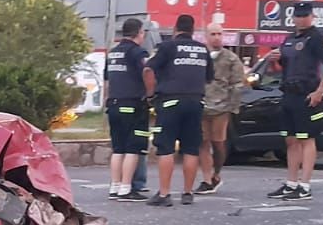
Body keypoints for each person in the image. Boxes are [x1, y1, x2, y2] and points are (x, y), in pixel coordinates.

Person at [143, 14, 213, 207]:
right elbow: (209, 78)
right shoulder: (202, 49)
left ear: (176, 28)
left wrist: (150, 95)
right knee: (191, 148)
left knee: (165, 147)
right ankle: (188, 193)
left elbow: (148, 70)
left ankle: (165, 194)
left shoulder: (167, 47)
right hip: (195, 102)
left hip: (170, 102)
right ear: (193, 29)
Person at [267, 1, 323, 201]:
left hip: (307, 95)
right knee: (290, 140)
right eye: (298, 15)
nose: (301, 19)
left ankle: (305, 185)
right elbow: (281, 68)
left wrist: (320, 90)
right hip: (288, 94)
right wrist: (274, 60)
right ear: (293, 17)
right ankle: (291, 183)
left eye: (305, 15)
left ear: (312, 16)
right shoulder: (289, 40)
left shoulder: (316, 38)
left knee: (306, 139)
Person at [104, 18, 152, 201]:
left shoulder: (113, 53)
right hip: (133, 105)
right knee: (133, 148)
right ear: (139, 32)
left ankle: (115, 187)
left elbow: (107, 81)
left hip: (114, 104)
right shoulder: (137, 52)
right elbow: (147, 72)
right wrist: (150, 95)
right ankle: (126, 188)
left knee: (118, 149)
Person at [197, 24, 246, 194]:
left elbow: (238, 84)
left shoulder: (231, 58)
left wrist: (232, 107)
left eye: (219, 34)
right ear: (206, 36)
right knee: (202, 142)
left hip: (221, 106)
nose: (216, 37)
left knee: (218, 143)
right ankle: (206, 178)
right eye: (213, 34)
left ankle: (216, 173)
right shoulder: (200, 56)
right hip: (202, 104)